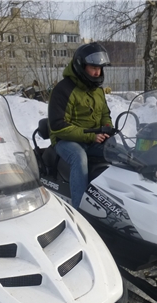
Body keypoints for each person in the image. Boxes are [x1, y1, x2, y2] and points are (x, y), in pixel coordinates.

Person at [48, 42, 112, 208]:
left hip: (93, 138)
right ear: (81, 66)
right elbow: (58, 126)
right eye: (93, 67)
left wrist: (107, 127)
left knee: (118, 152)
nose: (98, 72)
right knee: (79, 157)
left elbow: (105, 113)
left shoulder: (97, 90)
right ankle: (80, 209)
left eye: (100, 68)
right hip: (65, 140)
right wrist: (90, 135)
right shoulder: (63, 90)